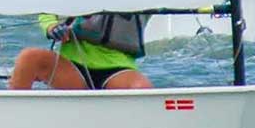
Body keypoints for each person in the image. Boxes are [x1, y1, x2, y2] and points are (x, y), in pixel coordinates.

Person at [8, 10, 151, 91]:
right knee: (29, 57)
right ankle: (11, 114)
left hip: (118, 69)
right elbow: (48, 9)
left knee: (141, 88)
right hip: (73, 68)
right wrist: (52, 26)